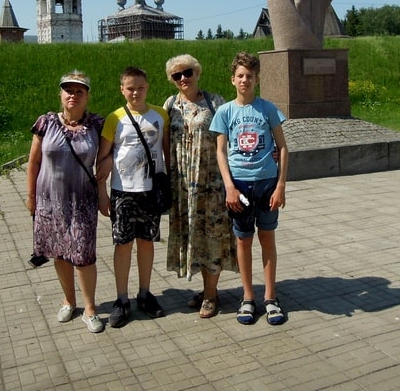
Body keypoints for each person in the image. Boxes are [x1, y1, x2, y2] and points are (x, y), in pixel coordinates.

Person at [26, 71, 111, 334]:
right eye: (68, 90)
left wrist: (105, 168)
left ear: (87, 96)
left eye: (79, 91)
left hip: (83, 201)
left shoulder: (97, 124)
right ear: (60, 94)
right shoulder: (46, 122)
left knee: (84, 255)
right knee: (59, 252)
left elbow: (112, 152)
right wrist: (30, 197)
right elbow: (34, 162)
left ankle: (90, 309)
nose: (73, 95)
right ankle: (68, 301)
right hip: (49, 201)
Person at [209, 52, 289, 325]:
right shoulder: (225, 112)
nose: (245, 80)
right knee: (243, 241)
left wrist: (281, 185)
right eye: (240, 76)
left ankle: (270, 297)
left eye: (250, 76)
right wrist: (229, 187)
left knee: (267, 238)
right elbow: (220, 151)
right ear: (233, 80)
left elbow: (284, 147)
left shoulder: (268, 109)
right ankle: (247, 297)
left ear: (257, 79)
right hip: (239, 185)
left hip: (267, 183)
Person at [163, 54, 237, 319]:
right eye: (177, 75)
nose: (183, 78)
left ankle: (211, 294)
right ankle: (206, 288)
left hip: (212, 184)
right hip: (182, 184)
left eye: (187, 73)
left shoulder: (215, 102)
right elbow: (163, 144)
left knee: (213, 237)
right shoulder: (170, 104)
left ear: (197, 72)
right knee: (194, 235)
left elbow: (234, 136)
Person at [98, 66, 170, 328]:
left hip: (150, 191)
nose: (135, 92)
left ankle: (144, 293)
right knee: (123, 245)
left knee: (147, 243)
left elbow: (167, 152)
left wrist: (169, 184)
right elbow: (103, 158)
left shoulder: (160, 116)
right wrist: (101, 193)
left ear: (147, 87)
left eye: (140, 87)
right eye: (130, 88)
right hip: (123, 191)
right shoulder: (115, 118)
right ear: (122, 90)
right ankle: (121, 299)